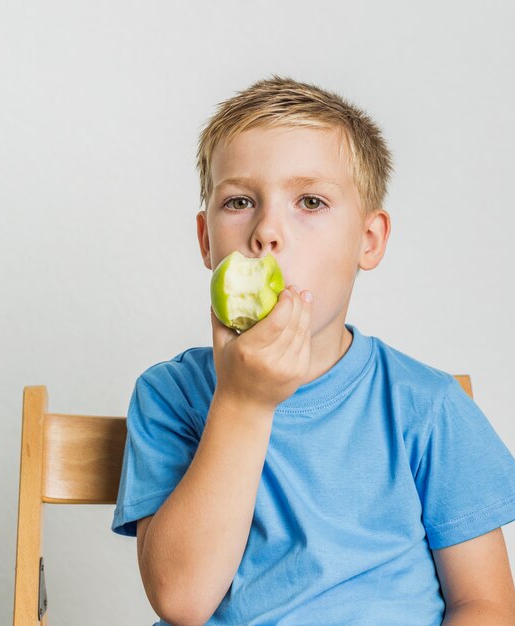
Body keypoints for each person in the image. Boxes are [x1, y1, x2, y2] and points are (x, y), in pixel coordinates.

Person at [111, 75, 515, 625]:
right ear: (207, 241)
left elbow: (485, 603)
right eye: (240, 201)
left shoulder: (427, 405)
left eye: (310, 200)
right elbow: (182, 600)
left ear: (368, 240)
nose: (268, 231)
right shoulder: (170, 395)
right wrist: (243, 401)